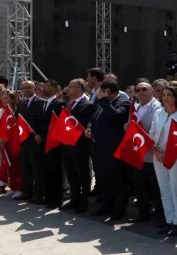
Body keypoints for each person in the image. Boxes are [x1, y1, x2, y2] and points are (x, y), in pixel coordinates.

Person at [150, 81, 177, 236]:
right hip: (157, 155)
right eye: (164, 95)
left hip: (176, 157)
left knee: (176, 190)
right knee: (164, 190)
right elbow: (152, 132)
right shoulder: (158, 112)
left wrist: (166, 154)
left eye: (169, 95)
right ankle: (169, 221)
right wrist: (156, 152)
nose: (166, 98)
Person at [88, 80, 131, 219]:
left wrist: (104, 101)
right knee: (104, 179)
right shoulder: (102, 103)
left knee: (117, 180)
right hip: (100, 148)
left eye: (102, 91)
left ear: (109, 92)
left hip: (114, 149)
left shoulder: (123, 102)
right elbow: (94, 118)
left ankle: (119, 209)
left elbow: (116, 116)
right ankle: (106, 205)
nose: (98, 94)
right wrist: (90, 128)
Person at [60, 79, 96, 213]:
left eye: (71, 87)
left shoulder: (87, 105)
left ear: (79, 89)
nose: (68, 89)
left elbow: (84, 124)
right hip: (67, 145)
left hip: (80, 145)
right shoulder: (69, 104)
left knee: (82, 174)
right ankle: (74, 199)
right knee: (71, 173)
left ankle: (84, 201)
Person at [132, 81, 163, 224]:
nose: (141, 92)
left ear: (152, 91)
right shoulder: (135, 107)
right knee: (140, 185)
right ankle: (143, 212)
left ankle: (160, 215)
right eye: (138, 90)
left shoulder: (159, 108)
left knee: (155, 187)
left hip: (151, 154)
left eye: (144, 89)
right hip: (138, 153)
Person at [33, 79, 64, 207]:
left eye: (46, 87)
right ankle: (48, 195)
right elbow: (39, 122)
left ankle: (56, 198)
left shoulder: (59, 104)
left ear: (54, 89)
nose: (43, 89)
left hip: (53, 143)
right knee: (45, 170)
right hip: (42, 143)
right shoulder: (43, 103)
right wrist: (37, 134)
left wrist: (43, 134)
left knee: (55, 171)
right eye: (43, 87)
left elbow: (56, 124)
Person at [16, 81, 43, 200]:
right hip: (24, 140)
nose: (26, 90)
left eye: (29, 87)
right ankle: (27, 192)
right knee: (25, 167)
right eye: (24, 88)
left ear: (34, 88)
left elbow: (43, 121)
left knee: (37, 168)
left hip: (36, 140)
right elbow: (18, 118)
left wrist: (40, 134)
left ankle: (38, 194)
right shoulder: (21, 103)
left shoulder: (41, 102)